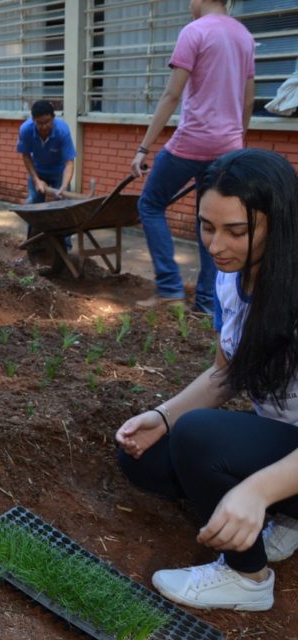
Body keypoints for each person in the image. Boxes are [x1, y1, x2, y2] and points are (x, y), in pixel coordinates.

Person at [116, 149, 298, 612]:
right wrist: (162, 416)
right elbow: (225, 372)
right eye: (207, 227)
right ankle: (285, 516)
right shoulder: (229, 278)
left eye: (236, 231)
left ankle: (249, 578)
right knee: (146, 455)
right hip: (287, 447)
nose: (216, 246)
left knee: (199, 436)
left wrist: (256, 489)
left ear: (280, 223)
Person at [130, 0, 254, 312]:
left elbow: (172, 94)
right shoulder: (244, 36)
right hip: (228, 147)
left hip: (192, 143)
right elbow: (248, 99)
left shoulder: (194, 32)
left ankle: (170, 289)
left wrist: (143, 148)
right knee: (209, 219)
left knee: (150, 203)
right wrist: (237, 142)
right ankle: (208, 302)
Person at [16, 100, 76, 203]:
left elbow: (69, 162)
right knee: (33, 201)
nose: (44, 127)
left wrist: (64, 186)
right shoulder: (25, 130)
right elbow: (26, 156)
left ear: (53, 117)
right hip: (37, 170)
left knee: (62, 204)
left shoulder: (62, 131)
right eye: (39, 123)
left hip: (59, 172)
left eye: (47, 122)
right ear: (33, 119)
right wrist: (36, 180)